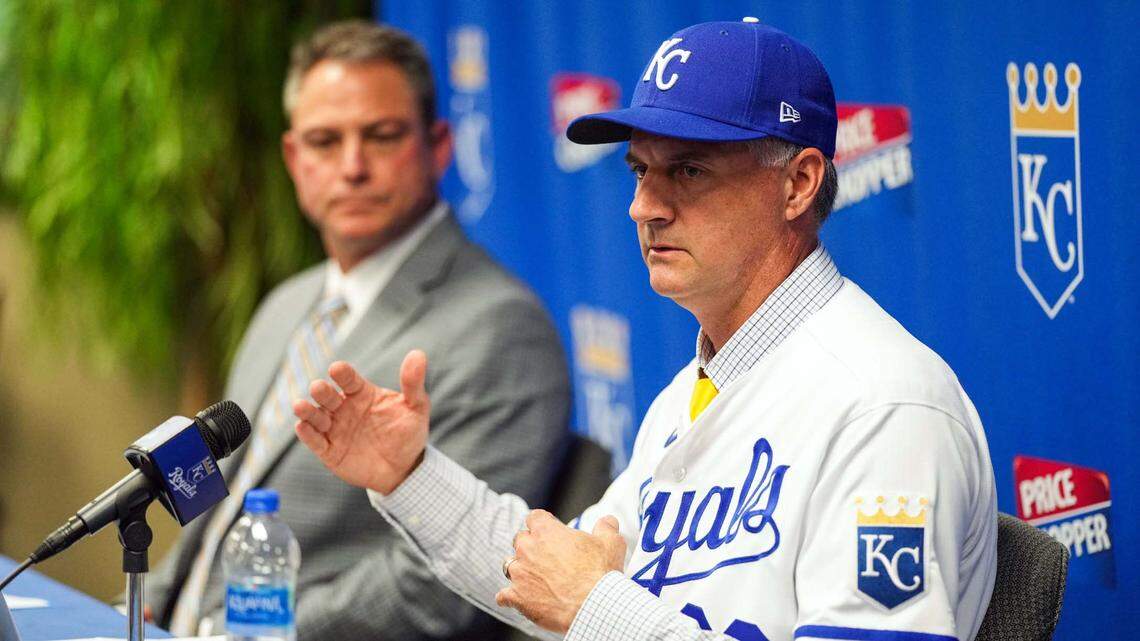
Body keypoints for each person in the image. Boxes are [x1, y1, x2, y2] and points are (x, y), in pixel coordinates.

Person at [293, 19, 997, 641]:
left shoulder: (886, 405)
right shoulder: (697, 388)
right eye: (639, 169)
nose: (643, 206)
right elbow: (549, 572)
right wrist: (409, 475)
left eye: (688, 170)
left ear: (798, 183)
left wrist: (597, 608)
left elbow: (581, 597)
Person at [143, 20, 571, 640]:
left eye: (382, 136)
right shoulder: (287, 303)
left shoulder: (501, 328)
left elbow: (439, 587)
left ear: (439, 145)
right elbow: (220, 509)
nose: (352, 167)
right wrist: (146, 607)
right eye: (324, 140)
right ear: (294, 158)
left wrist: (243, 636)